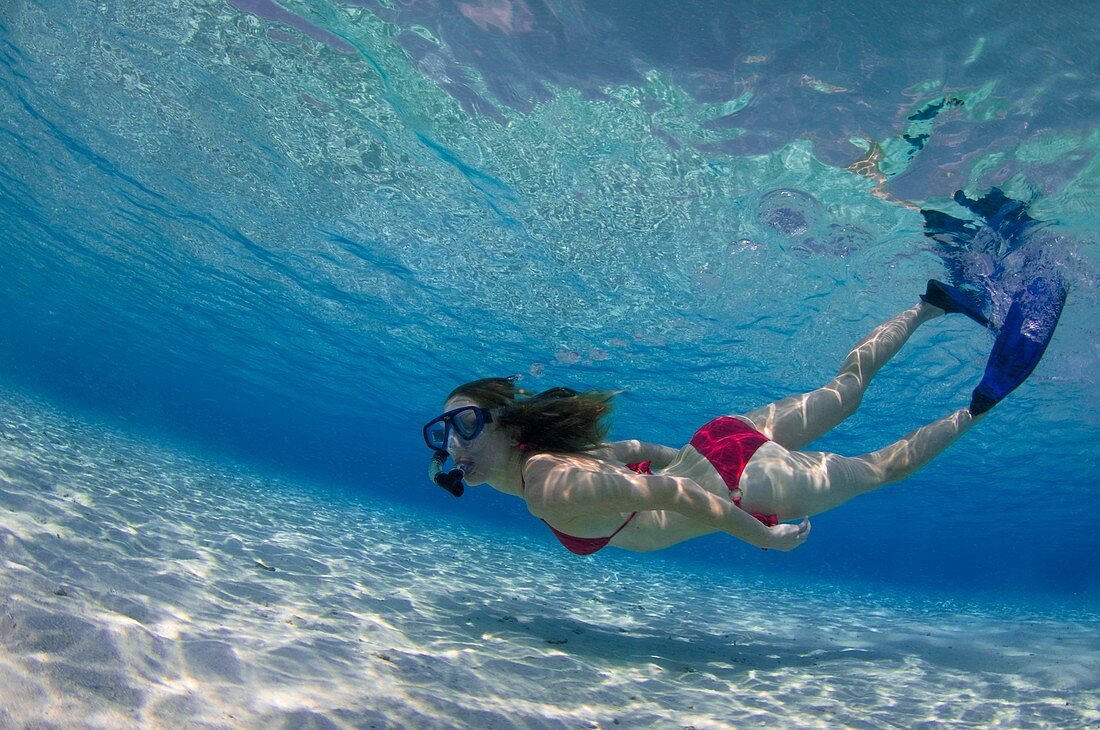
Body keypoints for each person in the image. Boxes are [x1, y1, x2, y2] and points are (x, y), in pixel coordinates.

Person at [423, 279, 1063, 556]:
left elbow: (670, 491)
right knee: (843, 389)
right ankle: (928, 304)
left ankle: (983, 401)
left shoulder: (548, 488)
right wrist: (700, 458)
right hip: (718, 441)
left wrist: (759, 536)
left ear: (508, 423)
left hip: (739, 487)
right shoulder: (550, 467)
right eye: (445, 431)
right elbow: (642, 451)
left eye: (469, 423)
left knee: (875, 471)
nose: (455, 442)